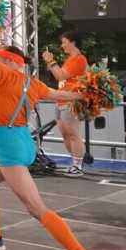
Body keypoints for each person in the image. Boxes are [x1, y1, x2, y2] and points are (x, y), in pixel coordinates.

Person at [0, 46, 104, 250]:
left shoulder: (6, 74)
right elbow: (60, 95)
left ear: (8, 62)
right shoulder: (33, 83)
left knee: (36, 209)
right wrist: (85, 95)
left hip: (10, 150)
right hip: (20, 145)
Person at [43, 32, 88, 174]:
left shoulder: (79, 59)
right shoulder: (70, 59)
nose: (62, 46)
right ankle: (74, 162)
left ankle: (77, 165)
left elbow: (61, 75)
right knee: (65, 133)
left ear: (73, 42)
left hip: (70, 100)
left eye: (64, 42)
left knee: (73, 133)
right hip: (61, 100)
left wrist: (51, 61)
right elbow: (60, 77)